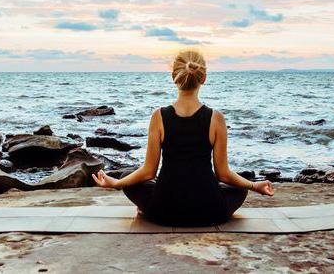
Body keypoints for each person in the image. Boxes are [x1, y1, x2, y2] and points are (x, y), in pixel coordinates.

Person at [92, 49, 275, 227]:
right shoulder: (216, 118)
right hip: (210, 212)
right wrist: (254, 185)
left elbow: (148, 171)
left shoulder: (159, 116)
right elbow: (223, 174)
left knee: (127, 176)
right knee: (240, 185)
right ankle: (220, 202)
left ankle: (145, 208)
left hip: (163, 211)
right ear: (203, 78)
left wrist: (117, 183)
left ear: (174, 77)